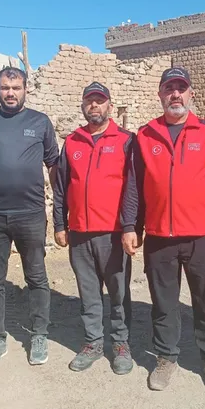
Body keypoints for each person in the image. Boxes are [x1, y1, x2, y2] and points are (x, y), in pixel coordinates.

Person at [120, 67, 205, 394]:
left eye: (181, 88)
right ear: (160, 94)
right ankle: (166, 357)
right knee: (164, 303)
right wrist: (130, 226)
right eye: (169, 88)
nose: (175, 95)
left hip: (201, 236)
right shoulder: (145, 135)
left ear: (190, 94)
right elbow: (134, 186)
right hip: (159, 238)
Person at [0, 66, 59, 368]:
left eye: (16, 88)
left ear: (25, 89)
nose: (10, 93)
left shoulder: (40, 122)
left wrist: (59, 203)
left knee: (36, 276)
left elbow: (54, 164)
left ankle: (39, 333)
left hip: (30, 214)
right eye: (5, 87)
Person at [52, 82, 136, 375]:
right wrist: (60, 224)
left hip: (113, 233)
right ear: (83, 105)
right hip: (79, 233)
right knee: (88, 293)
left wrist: (131, 226)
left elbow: (133, 188)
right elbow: (61, 186)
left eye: (100, 101)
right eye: (89, 101)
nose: (94, 106)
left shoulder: (126, 140)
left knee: (118, 292)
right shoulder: (73, 142)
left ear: (110, 105)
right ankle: (93, 342)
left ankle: (121, 344)